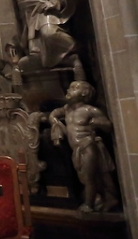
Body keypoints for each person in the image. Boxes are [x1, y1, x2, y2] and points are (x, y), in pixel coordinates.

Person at [50, 81, 119, 212]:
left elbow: (108, 126)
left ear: (84, 93)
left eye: (74, 88)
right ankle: (103, 198)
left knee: (89, 177)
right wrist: (54, 121)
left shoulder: (90, 110)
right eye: (69, 87)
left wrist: (97, 123)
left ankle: (88, 204)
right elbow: (54, 113)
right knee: (85, 177)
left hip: (88, 145)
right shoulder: (67, 109)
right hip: (75, 149)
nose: (69, 90)